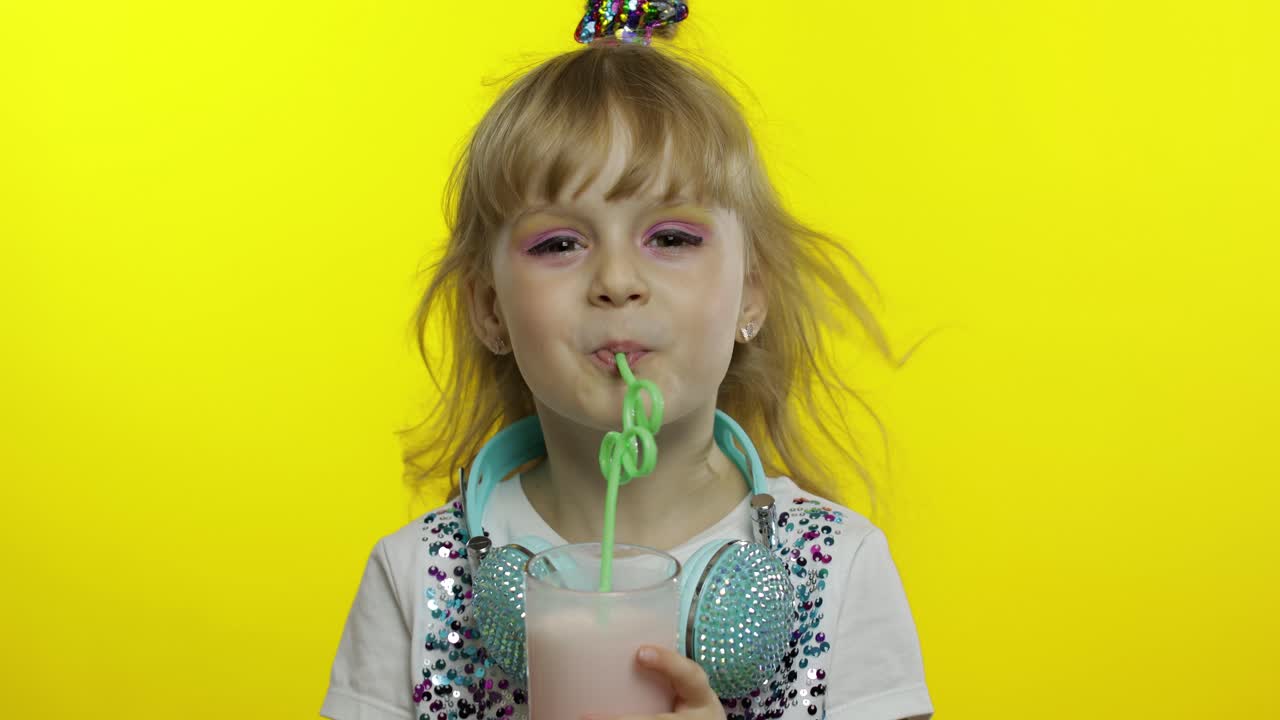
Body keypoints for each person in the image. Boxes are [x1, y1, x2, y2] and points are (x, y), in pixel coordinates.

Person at [321, 3, 935, 719]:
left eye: (671, 238)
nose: (617, 279)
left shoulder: (843, 570)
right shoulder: (415, 578)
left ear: (752, 297)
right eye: (559, 245)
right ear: (490, 309)